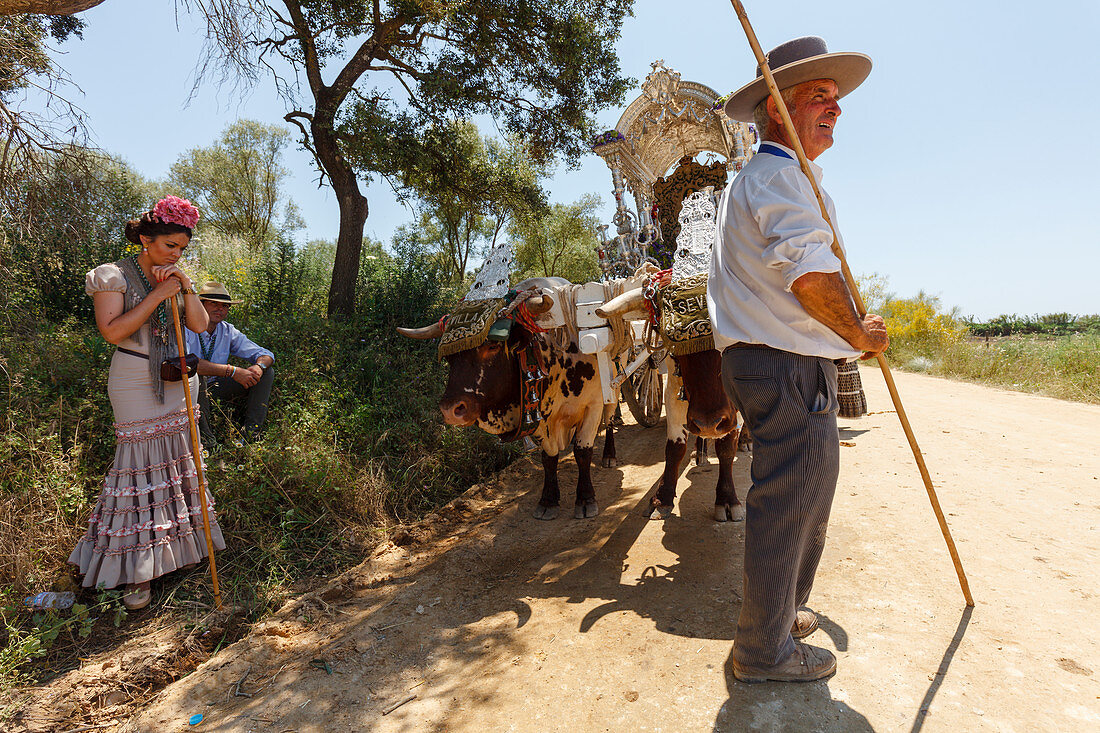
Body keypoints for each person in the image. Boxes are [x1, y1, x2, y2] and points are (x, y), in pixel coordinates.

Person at [708, 37, 890, 683]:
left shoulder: (770, 176)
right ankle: (763, 652)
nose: (835, 110)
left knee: (804, 501)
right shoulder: (780, 176)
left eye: (836, 100)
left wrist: (849, 331)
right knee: (792, 506)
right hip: (785, 366)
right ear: (778, 108)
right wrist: (860, 336)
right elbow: (810, 277)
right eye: (820, 97)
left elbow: (808, 272)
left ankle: (779, 616)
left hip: (771, 361)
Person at [70, 196, 226, 611]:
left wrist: (185, 285)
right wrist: (158, 295)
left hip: (178, 379)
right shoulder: (112, 275)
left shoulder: (176, 274)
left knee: (178, 463)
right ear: (145, 239)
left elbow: (199, 324)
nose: (175, 254)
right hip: (135, 379)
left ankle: (182, 552)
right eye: (169, 246)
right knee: (138, 470)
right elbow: (112, 331)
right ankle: (134, 574)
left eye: (181, 249)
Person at [186, 282, 275, 446]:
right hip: (187, 391)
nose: (220, 309)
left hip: (217, 388)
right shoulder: (186, 328)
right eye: (214, 303)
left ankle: (251, 435)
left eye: (225, 306)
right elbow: (189, 364)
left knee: (266, 372)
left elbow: (266, 355)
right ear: (200, 304)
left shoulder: (227, 330)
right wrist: (232, 371)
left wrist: (258, 367)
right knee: (197, 378)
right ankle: (207, 442)